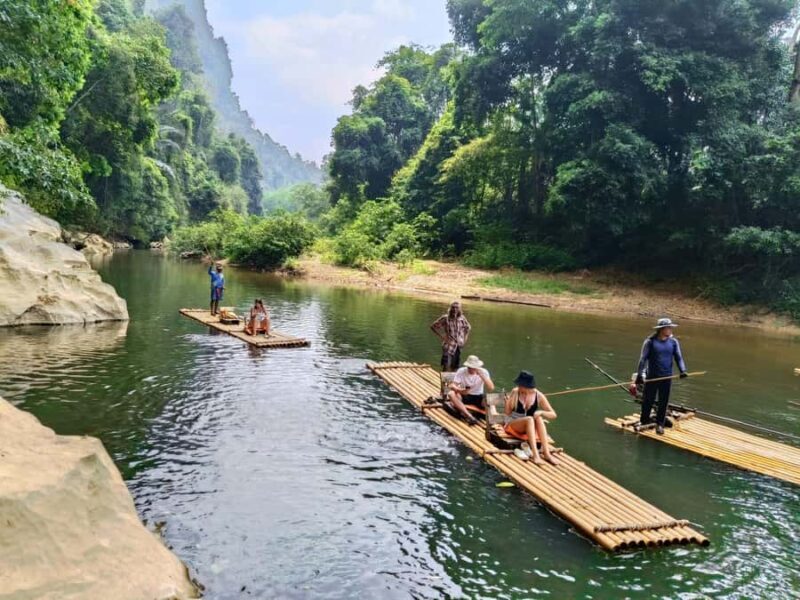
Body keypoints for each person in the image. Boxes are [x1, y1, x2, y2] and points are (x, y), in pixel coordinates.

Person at [635, 317, 688, 435]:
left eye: (670, 327)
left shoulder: (673, 342)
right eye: (668, 327)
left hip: (667, 377)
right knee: (648, 400)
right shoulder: (650, 342)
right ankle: (644, 421)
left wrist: (682, 370)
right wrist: (639, 375)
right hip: (652, 377)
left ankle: (660, 424)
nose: (670, 329)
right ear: (661, 329)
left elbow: (678, 357)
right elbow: (643, 359)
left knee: (664, 401)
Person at [504, 370, 559, 465]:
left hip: (529, 428)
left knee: (539, 418)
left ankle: (546, 453)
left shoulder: (539, 395)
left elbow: (553, 414)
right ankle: (536, 455)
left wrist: (542, 412)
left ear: (527, 386)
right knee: (530, 419)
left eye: (521, 385)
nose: (519, 387)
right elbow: (507, 413)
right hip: (513, 424)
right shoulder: (515, 392)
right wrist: (508, 401)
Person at [445, 355, 494, 425]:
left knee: (491, 399)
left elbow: (491, 388)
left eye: (474, 368)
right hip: (465, 395)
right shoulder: (461, 371)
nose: (471, 369)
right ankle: (469, 416)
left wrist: (482, 376)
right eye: (470, 367)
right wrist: (459, 390)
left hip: (478, 396)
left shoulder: (484, 372)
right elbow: (452, 385)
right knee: (451, 394)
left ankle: (494, 418)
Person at [430, 301, 471, 372]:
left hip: (458, 346)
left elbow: (468, 328)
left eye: (457, 308)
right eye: (453, 308)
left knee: (455, 366)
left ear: (459, 309)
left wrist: (464, 340)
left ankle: (452, 382)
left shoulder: (462, 318)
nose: (455, 309)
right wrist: (442, 337)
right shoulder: (446, 318)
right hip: (448, 345)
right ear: (450, 308)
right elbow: (433, 327)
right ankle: (444, 382)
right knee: (446, 365)